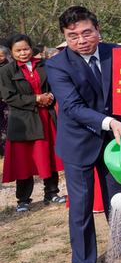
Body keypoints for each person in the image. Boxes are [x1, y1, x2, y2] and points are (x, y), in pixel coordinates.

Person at [46, 6, 121, 263]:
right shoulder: (57, 64)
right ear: (65, 38)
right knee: (82, 206)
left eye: (86, 32)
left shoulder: (118, 53)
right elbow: (73, 107)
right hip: (78, 143)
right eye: (72, 35)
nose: (81, 40)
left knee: (120, 195)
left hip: (116, 142)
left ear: (98, 30)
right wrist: (110, 121)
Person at [0, 34, 66, 212]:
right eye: (18, 50)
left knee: (49, 157)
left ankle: (51, 194)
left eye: (26, 49)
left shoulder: (46, 65)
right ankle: (23, 200)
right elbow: (9, 97)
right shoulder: (6, 71)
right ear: (11, 53)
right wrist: (37, 98)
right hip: (23, 120)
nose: (23, 53)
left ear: (32, 49)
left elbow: (56, 85)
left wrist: (50, 96)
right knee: (24, 161)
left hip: (46, 116)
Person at [0, 44, 10, 157]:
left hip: (6, 99)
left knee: (5, 123)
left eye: (2, 55)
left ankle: (5, 147)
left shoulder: (10, 66)